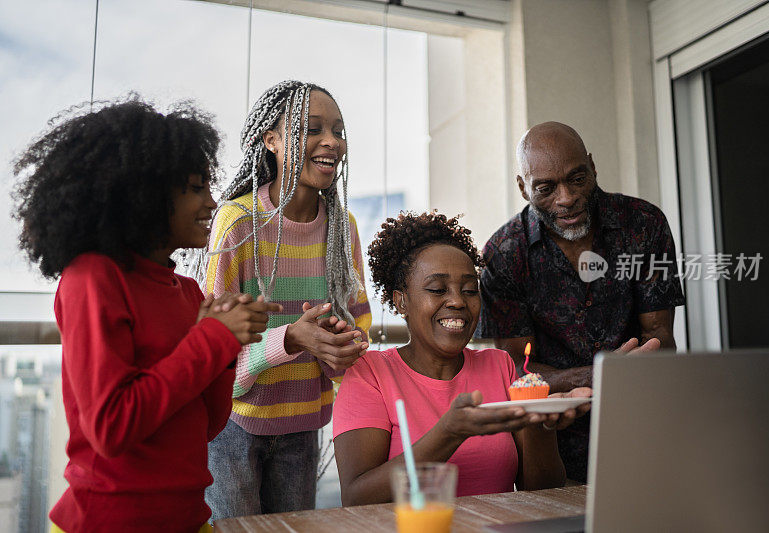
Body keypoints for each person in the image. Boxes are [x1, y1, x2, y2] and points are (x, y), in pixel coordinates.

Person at [12, 97, 279, 532]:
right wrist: (211, 338)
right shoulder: (93, 277)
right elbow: (111, 427)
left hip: (190, 520)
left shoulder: (189, 292)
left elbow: (206, 427)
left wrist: (226, 346)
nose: (212, 202)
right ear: (143, 193)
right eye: (194, 189)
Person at [333, 212, 591, 505]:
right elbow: (357, 498)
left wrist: (540, 425)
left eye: (469, 290)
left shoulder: (500, 366)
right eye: (437, 289)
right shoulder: (370, 374)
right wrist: (450, 432)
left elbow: (543, 491)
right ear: (401, 300)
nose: (457, 301)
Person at [476, 121, 686, 481]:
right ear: (523, 187)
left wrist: (611, 375)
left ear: (592, 165)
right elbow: (515, 371)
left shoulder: (644, 224)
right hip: (551, 450)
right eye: (546, 188)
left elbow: (660, 340)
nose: (566, 197)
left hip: (644, 431)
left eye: (577, 179)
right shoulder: (503, 253)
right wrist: (601, 375)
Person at [202, 80, 372, 519]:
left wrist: (338, 344)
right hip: (233, 427)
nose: (331, 142)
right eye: (312, 129)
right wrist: (291, 340)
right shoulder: (237, 223)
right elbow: (214, 358)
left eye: (338, 130)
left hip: (302, 428)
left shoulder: (343, 227)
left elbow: (358, 330)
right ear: (272, 141)